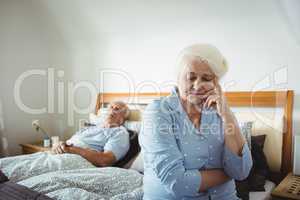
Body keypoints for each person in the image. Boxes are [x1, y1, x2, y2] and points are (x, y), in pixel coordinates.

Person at [139, 44, 253, 200]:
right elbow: (177, 183)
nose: (198, 85)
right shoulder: (158, 111)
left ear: (216, 82)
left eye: (207, 78)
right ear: (177, 77)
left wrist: (227, 114)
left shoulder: (220, 110)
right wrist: (227, 173)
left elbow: (242, 171)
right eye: (191, 77)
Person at [0, 101, 130, 182]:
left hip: (80, 159)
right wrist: (58, 145)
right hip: (63, 151)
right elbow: (70, 142)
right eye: (110, 107)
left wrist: (71, 149)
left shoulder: (120, 133)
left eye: (117, 109)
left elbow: (105, 160)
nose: (111, 110)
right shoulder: (91, 128)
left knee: (23, 171)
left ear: (122, 119)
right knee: (10, 163)